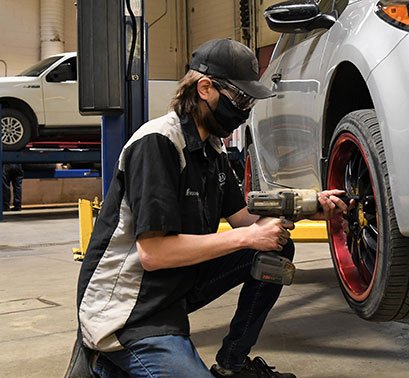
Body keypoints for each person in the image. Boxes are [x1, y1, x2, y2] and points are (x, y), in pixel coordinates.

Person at [74, 39, 349, 378]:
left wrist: (309, 207)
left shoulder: (211, 152)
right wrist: (249, 237)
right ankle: (105, 362)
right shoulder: (158, 144)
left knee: (275, 249)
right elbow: (154, 253)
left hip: (171, 292)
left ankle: (232, 364)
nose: (245, 110)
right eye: (240, 98)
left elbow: (244, 219)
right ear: (205, 88)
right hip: (128, 310)